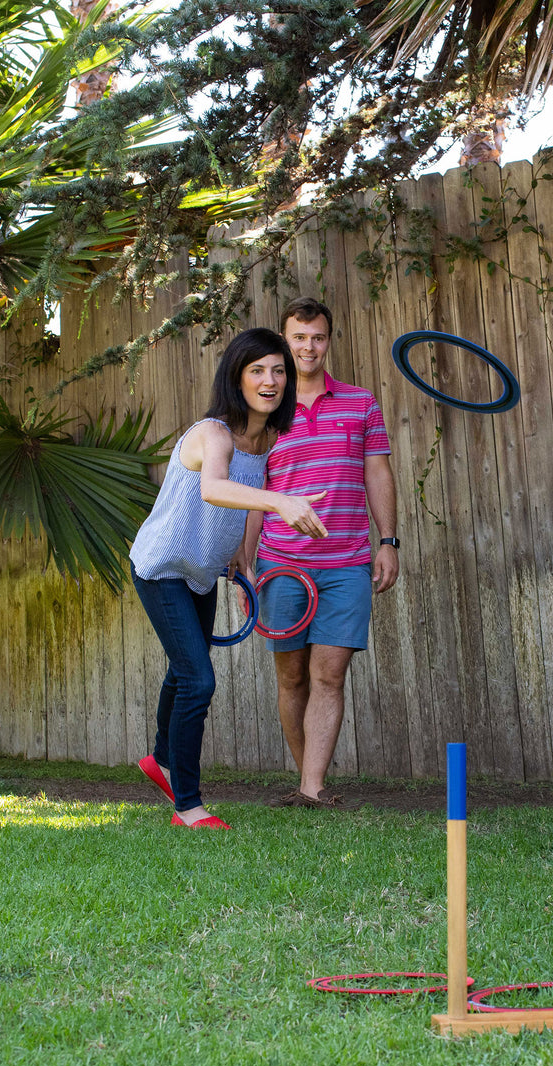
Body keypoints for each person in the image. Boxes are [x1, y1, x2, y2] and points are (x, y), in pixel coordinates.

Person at [129, 328, 327, 829]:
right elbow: (216, 488)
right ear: (236, 378)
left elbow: (242, 500)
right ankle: (188, 807)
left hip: (202, 571)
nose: (271, 380)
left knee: (182, 671)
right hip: (162, 567)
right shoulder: (212, 433)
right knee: (198, 679)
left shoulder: (266, 438)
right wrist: (282, 502)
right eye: (257, 370)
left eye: (278, 370)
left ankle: (160, 760)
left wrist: (243, 555)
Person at [246, 296, 400, 807]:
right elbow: (251, 492)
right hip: (280, 563)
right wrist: (245, 561)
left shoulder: (361, 402)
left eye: (318, 337)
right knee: (291, 677)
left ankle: (313, 789)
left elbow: (377, 470)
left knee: (328, 675)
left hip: (347, 563)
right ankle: (305, 779)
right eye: (299, 338)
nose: (309, 347)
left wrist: (388, 541)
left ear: (328, 341)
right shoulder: (266, 409)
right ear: (284, 342)